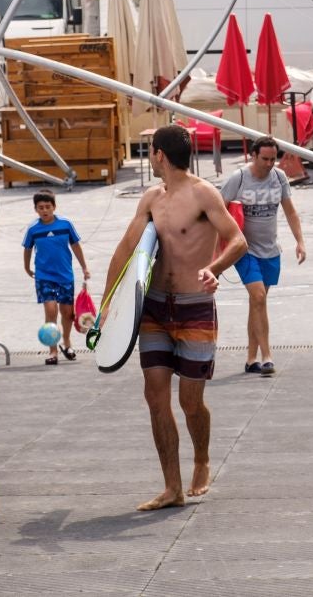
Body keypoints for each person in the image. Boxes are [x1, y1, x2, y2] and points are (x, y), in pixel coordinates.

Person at [101, 125, 245, 511]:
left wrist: (214, 268)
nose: (150, 156)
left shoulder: (203, 193)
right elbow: (125, 250)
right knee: (155, 397)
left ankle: (201, 459)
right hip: (154, 307)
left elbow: (237, 240)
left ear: (159, 155)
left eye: (150, 151)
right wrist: (106, 305)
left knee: (190, 401)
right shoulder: (151, 198)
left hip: (194, 305)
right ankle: (171, 486)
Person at [219, 137, 306, 377]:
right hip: (244, 249)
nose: (269, 164)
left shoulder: (279, 177)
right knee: (258, 297)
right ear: (253, 156)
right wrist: (218, 247)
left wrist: (300, 241)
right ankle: (267, 357)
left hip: (270, 249)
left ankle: (250, 359)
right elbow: (217, 209)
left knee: (257, 302)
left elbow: (290, 211)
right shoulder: (239, 178)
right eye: (265, 159)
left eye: (273, 159)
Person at [22, 190, 90, 366]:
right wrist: (27, 267)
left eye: (47, 207)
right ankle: (52, 351)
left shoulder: (65, 224)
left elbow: (75, 245)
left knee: (68, 313)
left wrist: (84, 267)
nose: (44, 210)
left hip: (65, 275)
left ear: (54, 207)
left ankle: (67, 343)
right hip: (44, 275)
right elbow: (27, 249)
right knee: (51, 310)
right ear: (35, 209)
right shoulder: (33, 229)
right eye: (40, 208)